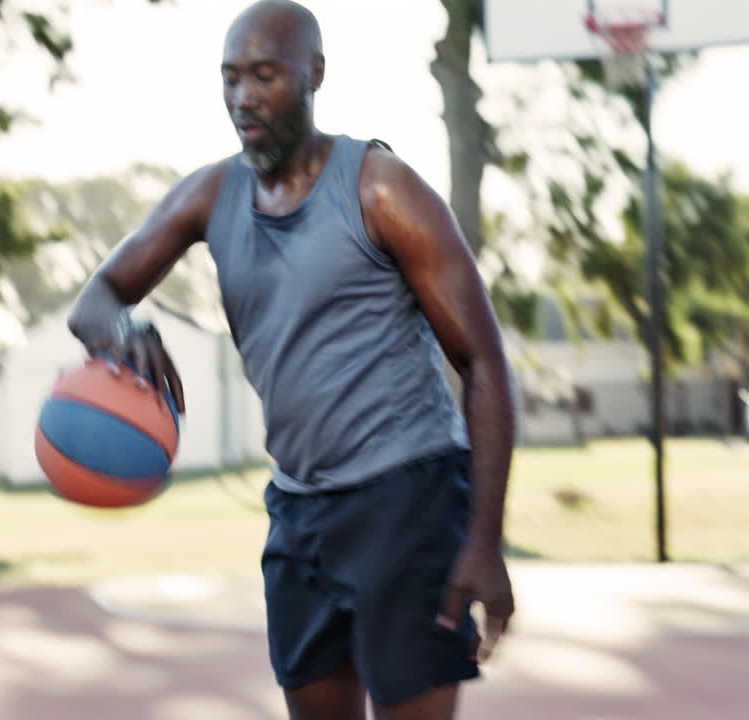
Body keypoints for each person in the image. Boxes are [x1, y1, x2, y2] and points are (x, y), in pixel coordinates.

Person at [65, 1, 517, 718]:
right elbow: (96, 298)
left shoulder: (380, 188)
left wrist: (484, 540)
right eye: (231, 78)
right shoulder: (213, 194)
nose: (243, 96)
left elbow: (486, 363)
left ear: (315, 75)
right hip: (300, 511)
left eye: (265, 76)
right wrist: (125, 326)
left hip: (409, 499)